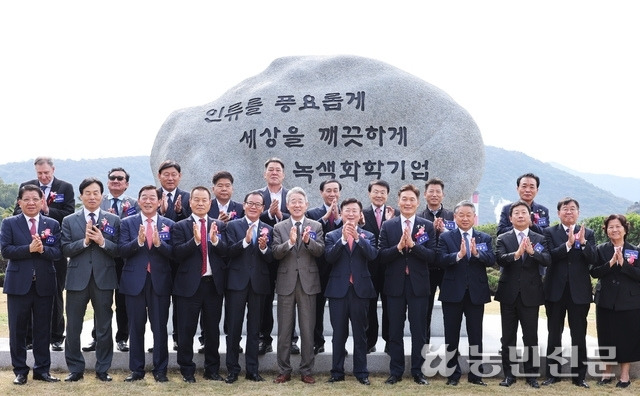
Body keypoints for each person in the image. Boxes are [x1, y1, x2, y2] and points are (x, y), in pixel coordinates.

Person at [2, 184, 62, 385]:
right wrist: (29, 248)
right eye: (26, 199)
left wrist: (42, 248)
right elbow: (6, 251)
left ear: (42, 201)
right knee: (18, 329)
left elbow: (57, 253)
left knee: (43, 329)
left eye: (35, 199)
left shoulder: (51, 224)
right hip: (19, 284)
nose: (31, 203)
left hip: (44, 284)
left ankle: (42, 370)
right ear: (19, 202)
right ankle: (20, 371)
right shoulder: (9, 223)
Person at [62, 177, 120, 382]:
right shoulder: (69, 220)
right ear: (81, 196)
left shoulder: (113, 220)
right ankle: (75, 368)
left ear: (102, 195)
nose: (92, 196)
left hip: (104, 279)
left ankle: (102, 368)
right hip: (77, 279)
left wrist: (103, 242)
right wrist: (85, 242)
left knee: (104, 326)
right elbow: (65, 248)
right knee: (74, 326)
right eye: (88, 193)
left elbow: (119, 250)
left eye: (96, 193)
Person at [14, 156, 74, 352]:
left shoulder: (65, 187)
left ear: (53, 170)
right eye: (40, 173)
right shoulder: (27, 187)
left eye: (47, 173)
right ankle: (30, 337)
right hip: (29, 251)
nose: (43, 176)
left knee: (55, 293)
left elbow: (69, 215)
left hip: (54, 249)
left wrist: (47, 210)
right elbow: (17, 213)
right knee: (30, 294)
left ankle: (57, 336)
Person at [378, 184, 436, 385]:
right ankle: (396, 371)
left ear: (418, 202)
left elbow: (432, 256)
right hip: (394, 286)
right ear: (398, 201)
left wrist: (413, 246)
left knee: (419, 330)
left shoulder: (426, 226)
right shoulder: (389, 226)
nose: (408, 202)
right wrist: (399, 247)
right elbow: (381, 256)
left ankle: (418, 372)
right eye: (404, 199)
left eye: (412, 199)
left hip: (418, 287)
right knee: (394, 330)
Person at [118, 185, 175, 383]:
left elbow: (174, 254)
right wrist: (139, 242)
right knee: (136, 327)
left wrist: (159, 244)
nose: (148, 201)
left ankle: (160, 370)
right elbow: (121, 250)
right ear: (139, 201)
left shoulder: (169, 224)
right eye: (144, 197)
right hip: (134, 282)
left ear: (160, 202)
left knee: (159, 328)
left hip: (159, 281)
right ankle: (136, 370)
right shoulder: (127, 223)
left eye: (153, 197)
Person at [171, 186, 227, 383]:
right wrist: (194, 241)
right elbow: (176, 254)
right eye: (197, 199)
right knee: (186, 330)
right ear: (190, 202)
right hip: (188, 287)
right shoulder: (179, 226)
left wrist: (216, 241)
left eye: (204, 200)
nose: (201, 203)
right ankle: (187, 370)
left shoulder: (220, 225)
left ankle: (212, 370)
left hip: (213, 285)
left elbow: (227, 252)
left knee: (212, 330)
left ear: (210, 203)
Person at [437, 200, 494, 387]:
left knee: (475, 335)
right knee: (451, 335)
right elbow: (440, 260)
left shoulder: (484, 238)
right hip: (452, 293)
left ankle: (476, 375)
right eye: (461, 215)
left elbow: (491, 260)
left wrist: (477, 253)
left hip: (476, 293)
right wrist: (459, 255)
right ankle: (453, 374)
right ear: (455, 217)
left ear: (474, 217)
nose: (465, 218)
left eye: (468, 215)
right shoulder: (446, 238)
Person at [495, 200, 551, 388]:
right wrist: (517, 254)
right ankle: (509, 375)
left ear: (530, 217)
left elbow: (546, 260)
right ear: (510, 218)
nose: (520, 215)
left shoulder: (539, 239)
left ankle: (531, 375)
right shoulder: (503, 238)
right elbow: (499, 259)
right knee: (508, 337)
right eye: (516, 213)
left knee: (530, 336)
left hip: (531, 294)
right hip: (508, 294)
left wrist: (532, 252)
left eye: (523, 213)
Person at [272, 187, 324, 384]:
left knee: (307, 329)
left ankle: (306, 370)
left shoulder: (316, 226)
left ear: (306, 205)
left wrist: (308, 241)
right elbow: (275, 253)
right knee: (284, 330)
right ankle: (284, 370)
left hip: (308, 284)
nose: (296, 204)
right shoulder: (279, 227)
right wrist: (290, 243)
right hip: (286, 283)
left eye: (300, 201)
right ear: (287, 205)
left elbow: (320, 251)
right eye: (292, 201)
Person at [83, 167, 139, 353]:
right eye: (112, 178)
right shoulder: (99, 201)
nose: (116, 181)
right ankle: (97, 337)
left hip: (125, 260)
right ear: (107, 182)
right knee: (101, 302)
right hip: (103, 258)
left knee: (123, 302)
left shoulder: (135, 204)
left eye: (120, 178)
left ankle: (122, 338)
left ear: (126, 184)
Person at [542, 197, 596, 388]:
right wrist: (567, 244)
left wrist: (583, 243)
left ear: (578, 212)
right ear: (559, 213)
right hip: (555, 291)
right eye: (565, 209)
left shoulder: (588, 233)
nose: (569, 212)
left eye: (573, 209)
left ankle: (579, 376)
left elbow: (593, 259)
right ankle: (552, 374)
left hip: (579, 292)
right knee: (554, 334)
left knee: (579, 335)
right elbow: (549, 257)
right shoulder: (549, 232)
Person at [324, 198, 377, 386]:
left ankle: (361, 372)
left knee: (360, 333)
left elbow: (372, 255)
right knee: (339, 334)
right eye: (347, 210)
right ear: (341, 213)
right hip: (338, 291)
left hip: (360, 291)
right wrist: (344, 240)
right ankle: (337, 371)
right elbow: (329, 258)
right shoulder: (332, 235)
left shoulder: (368, 235)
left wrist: (357, 238)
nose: (351, 214)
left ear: (360, 214)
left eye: (355, 210)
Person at [223, 191, 274, 383]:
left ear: (263, 208)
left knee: (254, 329)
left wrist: (263, 248)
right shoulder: (232, 226)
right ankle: (232, 369)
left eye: (258, 204)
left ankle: (252, 370)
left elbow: (271, 258)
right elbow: (227, 251)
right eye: (250, 203)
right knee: (234, 328)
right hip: (236, 283)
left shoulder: (268, 228)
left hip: (259, 284)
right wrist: (245, 241)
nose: (254, 207)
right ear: (243, 205)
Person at [590, 214, 640, 388]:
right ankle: (606, 373)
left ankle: (625, 375)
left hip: (630, 301)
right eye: (610, 227)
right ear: (606, 230)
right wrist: (611, 263)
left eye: (618, 226)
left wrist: (624, 265)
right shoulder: (600, 249)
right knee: (606, 337)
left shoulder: (635, 250)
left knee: (627, 337)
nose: (614, 230)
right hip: (606, 300)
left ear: (625, 229)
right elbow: (594, 272)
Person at [257, 157, 298, 355]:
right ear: (264, 174)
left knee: (290, 297)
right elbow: (252, 217)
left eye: (278, 170)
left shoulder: (292, 196)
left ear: (284, 174)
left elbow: (299, 217)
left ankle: (291, 339)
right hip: (264, 254)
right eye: (270, 169)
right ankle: (263, 339)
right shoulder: (257, 195)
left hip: (287, 252)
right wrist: (268, 214)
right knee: (264, 299)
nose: (274, 173)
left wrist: (280, 216)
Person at [201, 170, 244, 354]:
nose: (224, 189)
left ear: (233, 189)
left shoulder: (241, 208)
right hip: (214, 263)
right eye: (220, 186)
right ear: (213, 188)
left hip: (234, 264)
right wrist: (217, 223)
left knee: (234, 306)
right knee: (209, 306)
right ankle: (205, 339)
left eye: (227, 186)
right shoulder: (206, 206)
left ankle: (234, 340)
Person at [156, 160, 191, 351]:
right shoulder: (152, 196)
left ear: (180, 176)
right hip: (158, 258)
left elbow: (192, 224)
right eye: (166, 174)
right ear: (159, 176)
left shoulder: (187, 198)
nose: (170, 178)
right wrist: (159, 211)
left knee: (179, 302)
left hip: (179, 259)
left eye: (174, 174)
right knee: (158, 302)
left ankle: (178, 337)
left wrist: (180, 211)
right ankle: (158, 340)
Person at [306, 178, 342, 354]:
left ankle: (339, 344)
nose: (332, 194)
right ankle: (317, 341)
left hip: (338, 268)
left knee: (340, 310)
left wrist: (339, 219)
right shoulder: (312, 214)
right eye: (329, 190)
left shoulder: (346, 212)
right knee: (317, 307)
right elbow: (310, 234)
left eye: (335, 190)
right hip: (318, 268)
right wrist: (325, 218)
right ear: (321, 193)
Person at [361, 179, 397, 354]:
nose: (379, 195)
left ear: (387, 195)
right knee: (370, 307)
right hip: (369, 269)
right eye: (375, 191)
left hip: (390, 268)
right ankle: (369, 341)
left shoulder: (395, 214)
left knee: (390, 307)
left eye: (383, 192)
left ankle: (390, 341)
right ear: (369, 193)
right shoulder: (361, 214)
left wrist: (389, 222)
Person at [420, 177, 455, 344]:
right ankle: (424, 344)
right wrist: (431, 231)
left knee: (450, 309)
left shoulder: (452, 216)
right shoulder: (419, 217)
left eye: (438, 192)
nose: (434, 195)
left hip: (448, 269)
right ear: (425, 194)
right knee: (424, 309)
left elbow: (457, 241)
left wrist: (445, 231)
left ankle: (451, 346)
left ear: (443, 195)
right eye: (431, 191)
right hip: (426, 269)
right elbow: (416, 242)